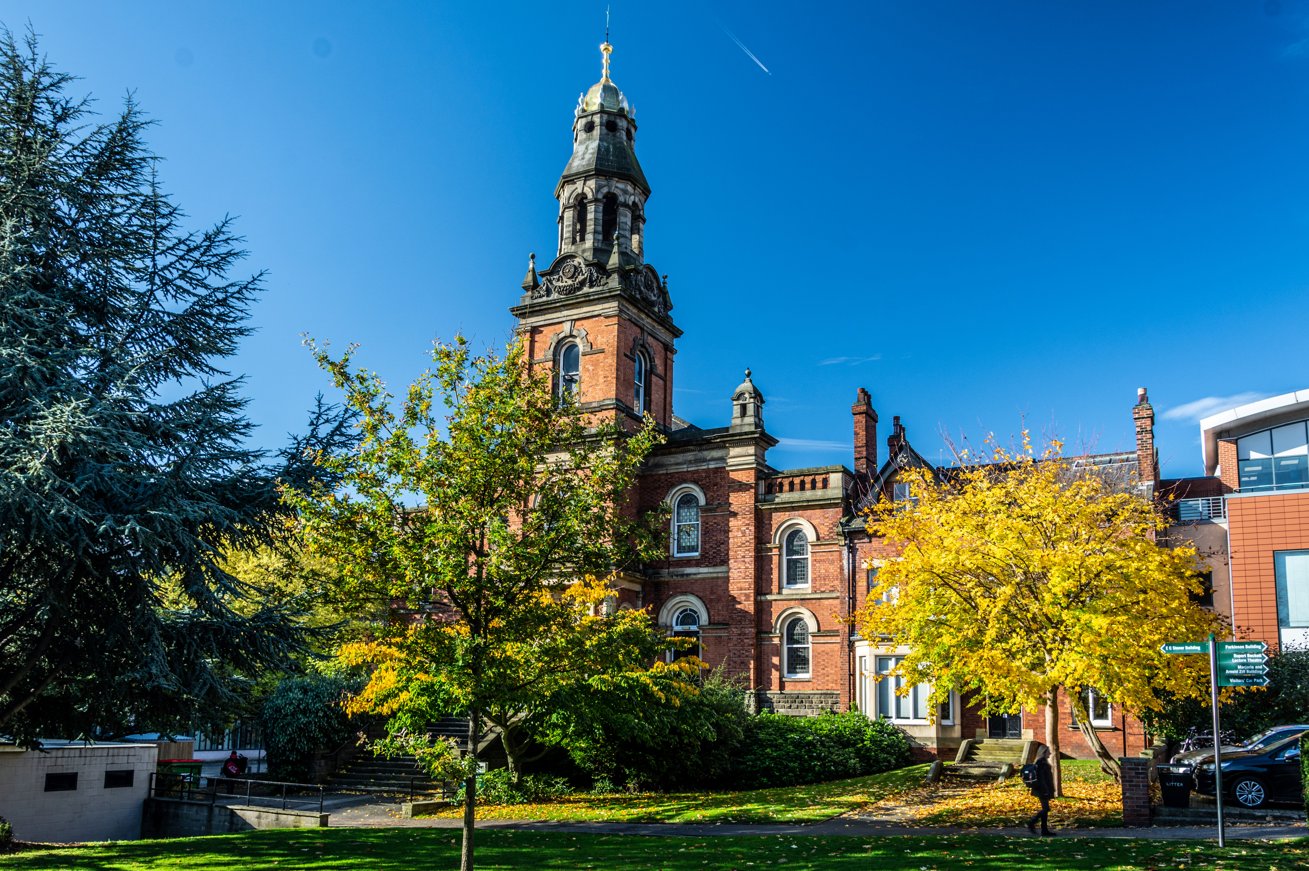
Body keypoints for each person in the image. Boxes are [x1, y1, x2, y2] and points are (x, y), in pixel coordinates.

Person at [1025, 745, 1056, 836]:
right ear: (1043, 753)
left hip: (1042, 789)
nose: (1050, 753)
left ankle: (1044, 830)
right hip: (1042, 790)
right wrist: (1046, 790)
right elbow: (1042, 779)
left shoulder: (1040, 762)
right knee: (1046, 809)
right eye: (1048, 752)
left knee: (1045, 809)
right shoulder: (1041, 763)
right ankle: (1032, 823)